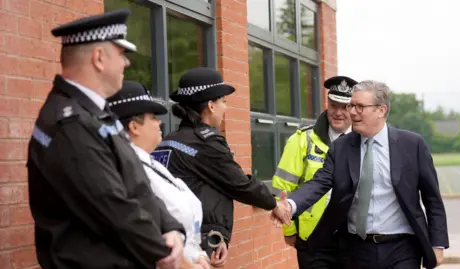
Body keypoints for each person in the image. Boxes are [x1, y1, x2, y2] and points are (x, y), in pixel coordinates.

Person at [27, 9, 186, 269]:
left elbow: (138, 184)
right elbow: (114, 208)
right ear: (99, 57)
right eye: (122, 54)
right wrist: (164, 252)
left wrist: (170, 227)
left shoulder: (95, 113)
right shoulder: (69, 125)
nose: (127, 64)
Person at [271, 80, 449, 269]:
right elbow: (318, 183)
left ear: (381, 110)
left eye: (360, 107)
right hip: (357, 250)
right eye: (352, 105)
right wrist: (290, 205)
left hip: (403, 249)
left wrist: (437, 244)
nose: (352, 112)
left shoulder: (412, 145)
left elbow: (432, 199)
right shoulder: (341, 147)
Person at [154, 67, 279, 267]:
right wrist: (275, 205)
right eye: (223, 101)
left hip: (173, 238)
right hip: (193, 246)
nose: (225, 108)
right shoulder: (205, 144)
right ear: (211, 105)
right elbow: (239, 184)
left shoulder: (169, 141)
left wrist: (219, 235)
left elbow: (203, 188)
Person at [107, 80, 211, 269]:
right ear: (134, 127)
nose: (159, 123)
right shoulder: (128, 170)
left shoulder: (151, 163)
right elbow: (150, 233)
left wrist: (200, 255)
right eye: (153, 117)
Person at [272, 76, 357, 269]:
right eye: (333, 105)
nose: (338, 112)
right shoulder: (302, 140)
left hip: (352, 239)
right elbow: (282, 189)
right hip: (313, 238)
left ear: (353, 108)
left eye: (345, 107)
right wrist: (289, 230)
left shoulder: (362, 142)